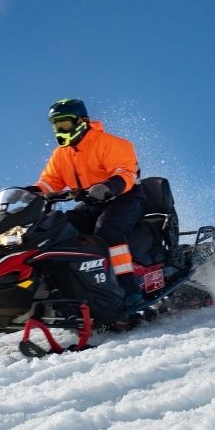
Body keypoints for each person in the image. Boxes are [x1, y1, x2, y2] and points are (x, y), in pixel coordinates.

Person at [33, 98, 145, 304]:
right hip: (91, 202)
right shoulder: (61, 154)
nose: (60, 130)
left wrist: (107, 187)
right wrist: (31, 194)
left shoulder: (109, 143)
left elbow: (125, 172)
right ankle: (69, 288)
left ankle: (128, 291)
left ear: (82, 121)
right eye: (56, 125)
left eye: (64, 124)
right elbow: (49, 182)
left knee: (107, 232)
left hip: (125, 197)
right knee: (59, 230)